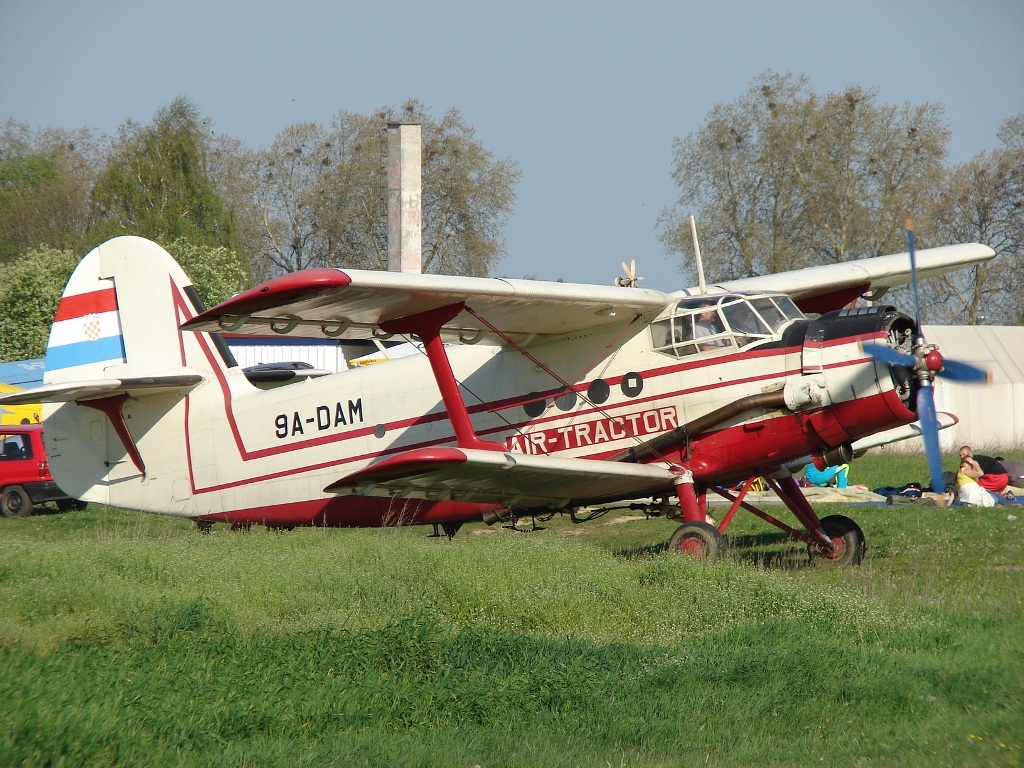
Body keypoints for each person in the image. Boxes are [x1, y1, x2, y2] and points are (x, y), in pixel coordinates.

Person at [956, 446, 1021, 506]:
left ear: (970, 453)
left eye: (964, 454)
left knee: (980, 489)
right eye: (960, 455)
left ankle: (1005, 496)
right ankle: (1001, 496)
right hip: (1003, 477)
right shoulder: (978, 459)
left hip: (997, 478)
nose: (962, 457)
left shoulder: (973, 461)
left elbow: (979, 474)